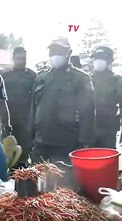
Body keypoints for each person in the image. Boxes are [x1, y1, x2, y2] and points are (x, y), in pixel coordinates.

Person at [29, 36, 95, 164]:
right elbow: (34, 109)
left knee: (64, 182)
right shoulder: (41, 78)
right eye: (52, 52)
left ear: (69, 53)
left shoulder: (81, 79)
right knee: (36, 181)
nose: (55, 55)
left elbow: (88, 114)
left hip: (67, 145)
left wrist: (83, 143)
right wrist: (30, 136)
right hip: (41, 143)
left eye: (59, 51)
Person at [0, 47, 37, 167]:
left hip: (26, 120)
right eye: (18, 58)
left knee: (25, 152)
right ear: (13, 58)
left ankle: (24, 177)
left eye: (24, 58)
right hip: (9, 120)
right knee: (7, 151)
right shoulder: (4, 75)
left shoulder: (32, 76)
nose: (21, 61)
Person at [91, 46, 122, 148]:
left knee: (107, 159)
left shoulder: (117, 81)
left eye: (101, 58)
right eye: (95, 58)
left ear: (109, 61)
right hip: (89, 128)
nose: (98, 61)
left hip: (109, 129)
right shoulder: (86, 79)